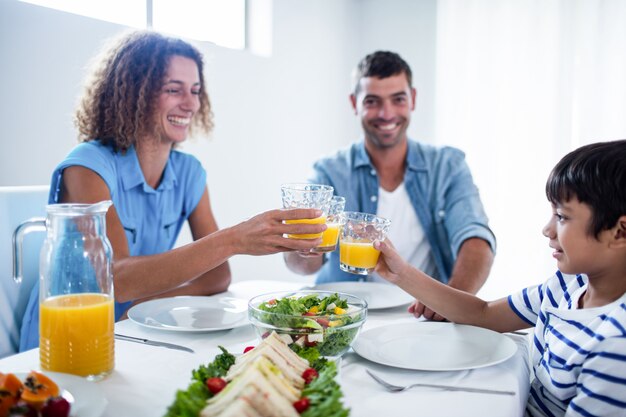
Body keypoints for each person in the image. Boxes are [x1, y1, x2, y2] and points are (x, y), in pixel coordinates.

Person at [19, 30, 325, 350]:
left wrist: (145, 305)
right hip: (62, 340)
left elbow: (217, 276)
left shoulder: (189, 172)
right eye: (172, 89)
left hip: (132, 331)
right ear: (133, 94)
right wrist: (235, 238)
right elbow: (118, 280)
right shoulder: (87, 167)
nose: (191, 103)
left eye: (195, 90)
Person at [374, 140, 626, 416]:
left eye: (562, 217)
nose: (547, 229)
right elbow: (484, 314)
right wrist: (402, 274)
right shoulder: (567, 286)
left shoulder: (616, 344)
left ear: (619, 232)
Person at [284, 51, 496, 320]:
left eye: (398, 99)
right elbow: (300, 266)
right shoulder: (328, 171)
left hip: (422, 316)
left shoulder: (447, 166)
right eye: (373, 101)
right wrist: (302, 247)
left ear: (413, 99)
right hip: (341, 314)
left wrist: (451, 300)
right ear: (354, 103)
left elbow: (475, 239)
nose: (387, 114)